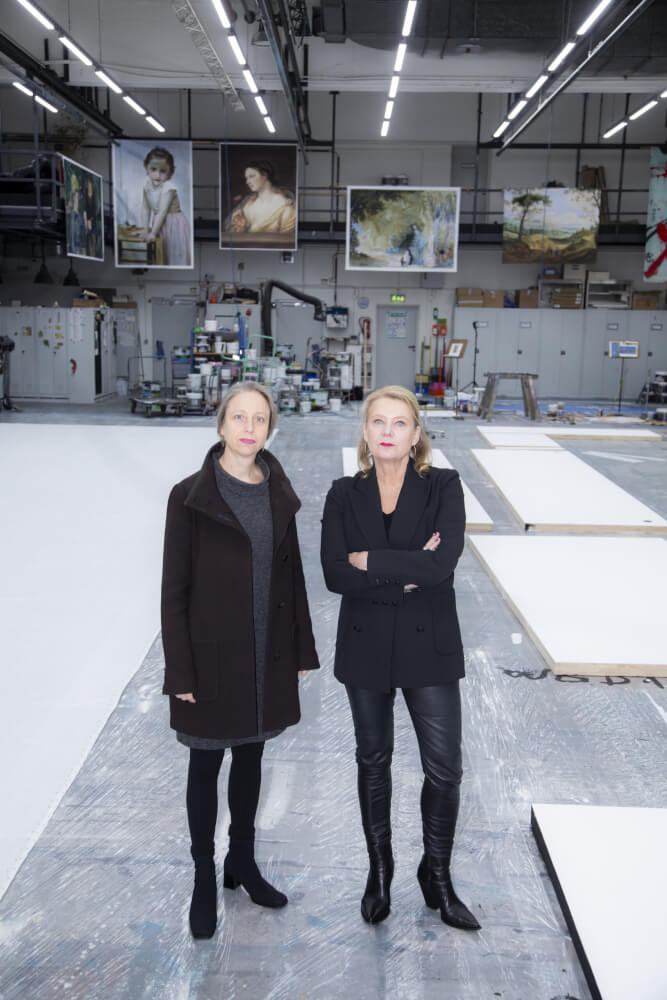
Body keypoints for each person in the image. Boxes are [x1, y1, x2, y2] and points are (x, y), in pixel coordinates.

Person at [161, 381, 319, 939]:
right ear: (221, 424)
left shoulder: (279, 492)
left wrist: (301, 646)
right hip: (211, 658)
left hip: (266, 650)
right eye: (239, 417)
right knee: (205, 765)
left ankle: (242, 861)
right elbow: (173, 591)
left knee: (251, 759)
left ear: (270, 427)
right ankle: (205, 876)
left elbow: (293, 575)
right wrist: (179, 670)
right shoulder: (188, 497)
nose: (249, 427)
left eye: (260, 418)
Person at [320, 386, 480, 931]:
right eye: (378, 422)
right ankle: (380, 870)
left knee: (445, 769)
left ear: (416, 436)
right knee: (374, 761)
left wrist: (373, 563)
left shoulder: (443, 486)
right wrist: (407, 568)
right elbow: (334, 574)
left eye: (400, 423)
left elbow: (442, 567)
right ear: (365, 432)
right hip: (365, 646)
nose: (388, 431)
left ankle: (436, 874)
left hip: (427, 645)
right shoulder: (343, 494)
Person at [140, 146, 191, 266]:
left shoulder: (169, 187)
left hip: (174, 223)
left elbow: (162, 211)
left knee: (174, 253)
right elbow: (145, 208)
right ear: (146, 168)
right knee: (161, 253)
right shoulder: (146, 184)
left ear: (170, 173)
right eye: (153, 169)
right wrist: (145, 228)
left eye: (163, 171)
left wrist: (153, 233)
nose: (157, 174)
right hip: (160, 223)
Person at [227, 160, 296, 235]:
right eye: (246, 178)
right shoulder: (247, 205)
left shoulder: (285, 207)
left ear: (265, 175)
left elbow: (287, 241)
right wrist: (239, 225)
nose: (247, 182)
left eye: (251, 176)